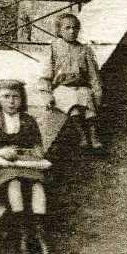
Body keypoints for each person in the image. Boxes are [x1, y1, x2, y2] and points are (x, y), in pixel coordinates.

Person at [0, 78, 65, 254]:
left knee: (37, 184)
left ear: (22, 99)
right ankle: (22, 235)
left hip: (24, 163)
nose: (11, 101)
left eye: (16, 97)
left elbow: (38, 147)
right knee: (14, 181)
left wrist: (33, 153)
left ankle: (41, 239)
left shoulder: (28, 120)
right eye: (6, 97)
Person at [41, 12, 106, 154]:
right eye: (67, 28)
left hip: (81, 86)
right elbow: (46, 74)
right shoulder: (54, 48)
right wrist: (47, 94)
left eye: (75, 28)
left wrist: (97, 91)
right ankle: (82, 135)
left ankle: (94, 137)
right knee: (74, 109)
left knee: (89, 107)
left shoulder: (85, 50)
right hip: (62, 87)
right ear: (59, 30)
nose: (72, 31)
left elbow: (93, 75)